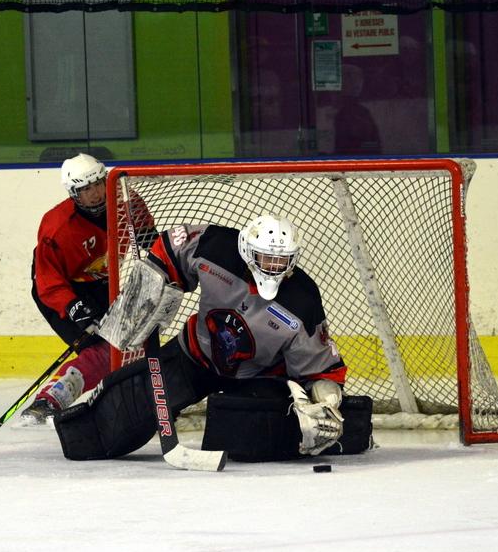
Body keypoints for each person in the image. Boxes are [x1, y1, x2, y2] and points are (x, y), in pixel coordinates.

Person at [54, 215, 372, 463]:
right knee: (122, 409)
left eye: (281, 260)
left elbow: (322, 370)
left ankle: (352, 430)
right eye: (265, 259)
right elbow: (172, 246)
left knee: (253, 437)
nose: (273, 268)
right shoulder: (217, 246)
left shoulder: (302, 300)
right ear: (247, 251)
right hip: (194, 354)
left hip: (258, 379)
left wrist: (327, 404)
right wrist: (156, 281)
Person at [20, 153, 114, 425]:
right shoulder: (57, 226)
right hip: (62, 290)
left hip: (103, 283)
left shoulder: (126, 204)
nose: (96, 193)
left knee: (129, 341)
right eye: (86, 189)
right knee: (101, 350)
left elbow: (147, 238)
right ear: (74, 193)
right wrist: (73, 306)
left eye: (98, 184)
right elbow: (47, 280)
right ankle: (47, 401)